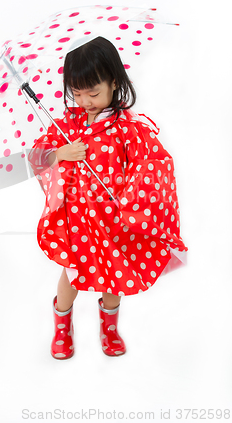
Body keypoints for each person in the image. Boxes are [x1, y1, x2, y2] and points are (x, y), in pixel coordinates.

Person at [28, 37, 188, 360]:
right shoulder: (66, 127)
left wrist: (130, 194)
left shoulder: (127, 129)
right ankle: (62, 326)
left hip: (113, 221)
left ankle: (109, 327)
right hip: (76, 220)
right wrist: (60, 152)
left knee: (113, 278)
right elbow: (35, 158)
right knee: (70, 276)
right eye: (77, 92)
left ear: (114, 82)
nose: (85, 101)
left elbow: (152, 164)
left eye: (94, 92)